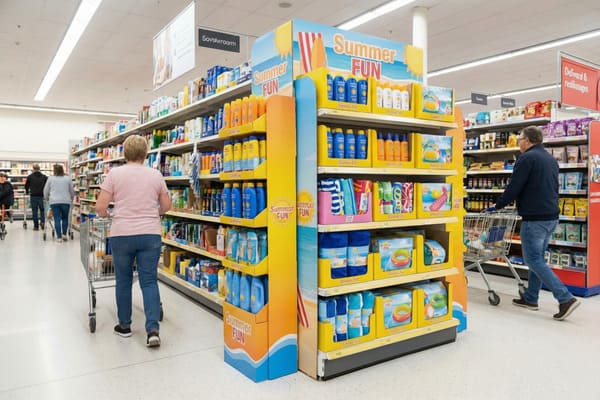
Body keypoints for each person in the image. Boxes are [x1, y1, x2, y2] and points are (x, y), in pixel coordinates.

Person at [490, 126, 580, 321]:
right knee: (537, 257)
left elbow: (514, 187)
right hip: (551, 216)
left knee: (533, 260)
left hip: (535, 218)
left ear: (528, 140)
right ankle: (531, 298)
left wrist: (497, 205)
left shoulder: (526, 158)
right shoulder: (549, 158)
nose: (518, 142)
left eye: (519, 138)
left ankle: (565, 298)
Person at [96, 135, 171, 347]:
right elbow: (166, 206)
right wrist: (151, 212)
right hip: (150, 234)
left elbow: (100, 207)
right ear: (146, 154)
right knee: (149, 281)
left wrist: (111, 215)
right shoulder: (155, 175)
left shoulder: (114, 174)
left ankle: (125, 326)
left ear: (125, 154)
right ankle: (153, 330)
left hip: (122, 234)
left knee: (124, 280)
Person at [43, 164, 74, 242]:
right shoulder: (68, 179)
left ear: (54, 171)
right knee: (65, 218)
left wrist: (46, 198)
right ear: (62, 170)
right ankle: (64, 235)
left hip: (54, 201)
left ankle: (59, 237)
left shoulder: (50, 179)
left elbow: (45, 190)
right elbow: (72, 190)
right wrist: (72, 197)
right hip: (66, 201)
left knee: (57, 218)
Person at [25, 164, 48, 231]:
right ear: (39, 169)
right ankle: (43, 222)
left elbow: (26, 186)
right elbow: (47, 186)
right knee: (42, 210)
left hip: (33, 196)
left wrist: (27, 192)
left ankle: (36, 226)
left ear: (33, 169)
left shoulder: (30, 177)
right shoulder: (44, 177)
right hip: (42, 196)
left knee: (34, 211)